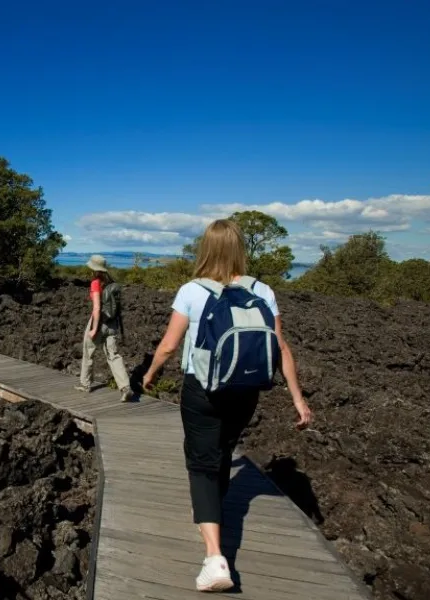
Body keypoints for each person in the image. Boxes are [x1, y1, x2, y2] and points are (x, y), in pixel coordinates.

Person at [141, 219, 312, 593]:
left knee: (202, 464)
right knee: (221, 453)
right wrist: (298, 398)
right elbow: (280, 347)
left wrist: (151, 373)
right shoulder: (262, 290)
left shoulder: (192, 290)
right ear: (239, 249)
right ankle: (209, 512)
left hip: (202, 390)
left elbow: (170, 345)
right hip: (246, 390)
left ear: (206, 248)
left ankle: (215, 559)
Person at [75, 254, 134, 402]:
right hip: (112, 323)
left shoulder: (96, 283)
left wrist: (94, 329)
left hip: (99, 322)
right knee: (113, 355)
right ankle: (125, 387)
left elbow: (96, 308)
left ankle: (85, 384)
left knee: (88, 352)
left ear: (94, 268)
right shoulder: (112, 283)